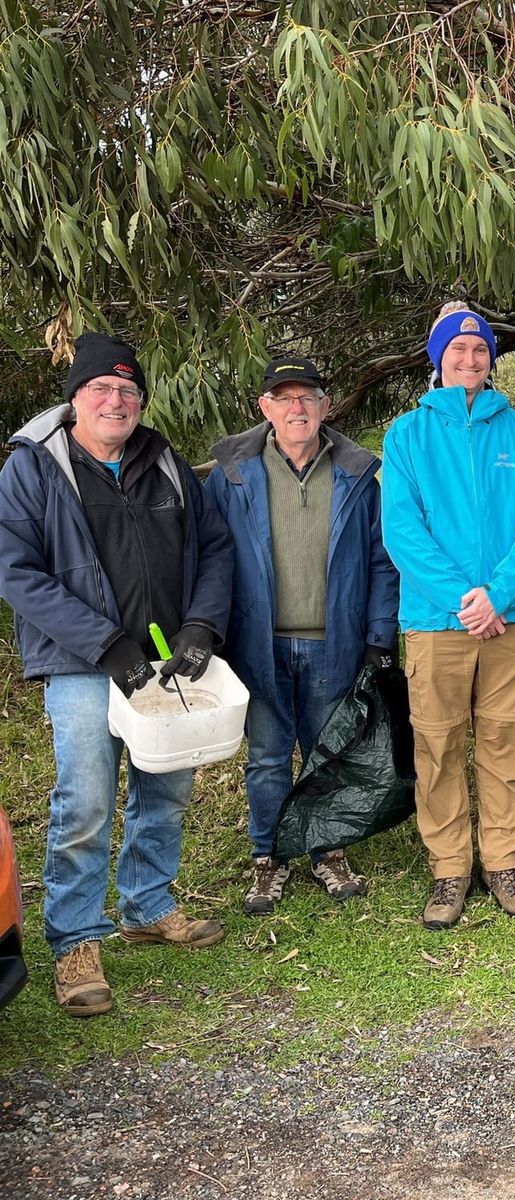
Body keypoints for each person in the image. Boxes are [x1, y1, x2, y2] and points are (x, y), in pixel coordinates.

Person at [0, 331, 233, 1017]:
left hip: (165, 661)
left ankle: (147, 903)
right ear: (75, 397)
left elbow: (214, 549)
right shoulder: (33, 468)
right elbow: (16, 571)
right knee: (87, 800)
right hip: (81, 663)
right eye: (102, 387)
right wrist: (105, 645)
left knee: (167, 785)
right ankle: (75, 940)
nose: (117, 400)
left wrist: (202, 625)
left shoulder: (164, 461)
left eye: (129, 391)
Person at [206, 355, 401, 913]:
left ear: (325, 406)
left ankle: (326, 850)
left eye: (307, 397)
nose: (297, 408)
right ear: (264, 408)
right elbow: (212, 559)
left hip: (333, 640)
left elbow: (383, 562)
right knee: (268, 755)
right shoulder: (232, 475)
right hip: (257, 643)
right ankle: (268, 858)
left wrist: (379, 635)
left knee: (327, 752)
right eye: (284, 398)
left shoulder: (359, 475)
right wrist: (212, 634)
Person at [382, 303, 515, 929]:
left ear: (490, 358)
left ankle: (503, 860)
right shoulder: (406, 435)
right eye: (456, 350)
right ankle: (449, 868)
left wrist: (499, 596)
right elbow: (403, 532)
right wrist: (466, 598)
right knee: (438, 745)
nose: (469, 359)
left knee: (508, 743)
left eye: (479, 349)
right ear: (437, 358)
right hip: (435, 622)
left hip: (510, 623)